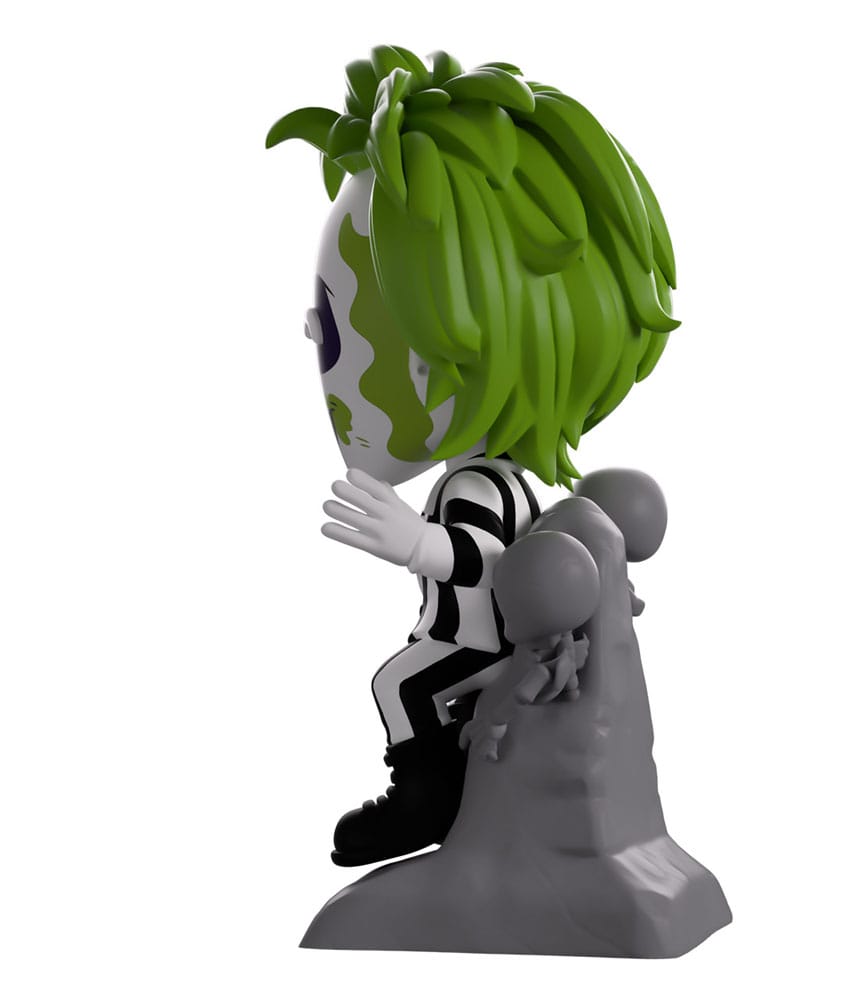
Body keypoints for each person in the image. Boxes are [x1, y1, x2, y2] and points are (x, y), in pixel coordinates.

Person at [266, 45, 680, 866]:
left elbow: (487, 559)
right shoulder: (506, 478)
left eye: (340, 330)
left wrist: (415, 543)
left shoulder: (481, 487)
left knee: (396, 682)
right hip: (486, 648)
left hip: (477, 651)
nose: (315, 342)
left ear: (440, 357)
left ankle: (423, 796)